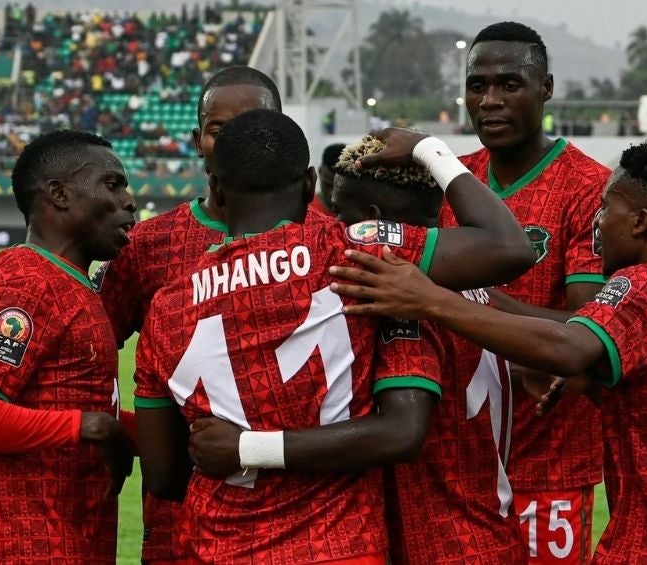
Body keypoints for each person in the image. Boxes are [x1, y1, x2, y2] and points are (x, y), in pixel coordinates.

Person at [329, 139, 647, 562]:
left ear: (639, 221)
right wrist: (594, 378)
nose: (597, 222)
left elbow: (567, 346)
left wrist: (429, 299)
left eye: (606, 208)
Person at [133, 109, 535, 562]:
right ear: (309, 185)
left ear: (218, 189)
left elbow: (164, 477)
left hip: (221, 545)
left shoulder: (166, 307)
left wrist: (243, 448)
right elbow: (508, 247)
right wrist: (429, 148)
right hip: (341, 545)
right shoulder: (352, 255)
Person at [91, 65, 282, 564]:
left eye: (254, 125)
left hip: (304, 512)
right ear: (197, 140)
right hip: (181, 520)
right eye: (220, 129)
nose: (237, 142)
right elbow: (87, 351)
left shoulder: (328, 236)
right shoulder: (148, 246)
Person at [0, 130, 136, 564]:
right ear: (60, 194)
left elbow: (81, 405)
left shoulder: (72, 285)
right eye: (112, 184)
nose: (129, 200)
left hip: (69, 539)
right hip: (20, 547)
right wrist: (89, 427)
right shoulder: (27, 282)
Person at [449, 21, 610, 561]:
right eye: (478, 85)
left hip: (550, 455)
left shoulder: (589, 188)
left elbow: (588, 327)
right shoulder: (453, 183)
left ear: (545, 89)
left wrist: (479, 304)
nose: (490, 100)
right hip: (459, 460)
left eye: (510, 84)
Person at [311, 142, 346, 216]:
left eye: (338, 188)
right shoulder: (305, 209)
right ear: (319, 172)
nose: (331, 193)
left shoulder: (358, 213)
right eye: (328, 185)